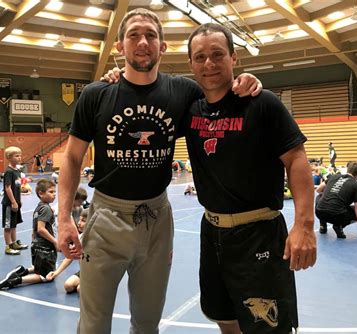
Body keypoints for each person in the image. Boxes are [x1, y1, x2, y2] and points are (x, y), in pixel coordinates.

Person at [57, 8, 262, 334]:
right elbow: (71, 158)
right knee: (93, 326)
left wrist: (246, 80)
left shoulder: (183, 92)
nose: (142, 42)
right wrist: (64, 217)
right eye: (134, 35)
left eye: (151, 35)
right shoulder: (96, 95)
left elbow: (221, 95)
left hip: (156, 220)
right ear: (120, 47)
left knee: (147, 324)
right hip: (106, 217)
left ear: (162, 47)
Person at [182, 23, 316, 333]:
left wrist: (304, 225)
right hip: (212, 233)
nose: (209, 64)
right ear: (190, 63)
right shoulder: (189, 110)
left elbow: (296, 159)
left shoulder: (262, 102)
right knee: (224, 318)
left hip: (259, 234)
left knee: (267, 327)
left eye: (217, 54)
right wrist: (112, 78)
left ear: (233, 57)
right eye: (199, 57)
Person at [0, 179, 58, 290]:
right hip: (45, 248)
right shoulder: (47, 209)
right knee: (46, 276)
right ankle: (16, 280)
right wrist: (55, 241)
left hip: (37, 246)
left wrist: (34, 241)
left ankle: (22, 271)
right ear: (41, 193)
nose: (54, 195)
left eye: (55, 192)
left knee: (40, 267)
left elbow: (35, 230)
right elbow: (41, 229)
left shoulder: (39, 207)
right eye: (51, 192)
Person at [315, 161, 357, 239]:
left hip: (319, 213)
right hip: (337, 216)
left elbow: (318, 190)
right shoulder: (356, 185)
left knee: (319, 197)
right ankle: (339, 225)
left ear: (348, 169)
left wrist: (331, 193)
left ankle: (323, 225)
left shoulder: (334, 176)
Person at [48, 208, 89, 294]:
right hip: (84, 272)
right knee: (68, 286)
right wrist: (56, 273)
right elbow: (70, 257)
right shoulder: (80, 238)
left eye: (83, 221)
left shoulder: (97, 240)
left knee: (80, 289)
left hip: (96, 273)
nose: (78, 223)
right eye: (80, 219)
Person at [2, 147, 28, 256]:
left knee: (14, 224)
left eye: (20, 155)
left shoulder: (17, 170)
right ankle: (8, 246)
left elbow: (17, 187)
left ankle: (14, 243)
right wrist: (13, 202)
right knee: (8, 226)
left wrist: (19, 201)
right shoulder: (9, 172)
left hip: (16, 202)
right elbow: (7, 188)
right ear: (9, 158)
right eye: (16, 156)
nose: (19, 157)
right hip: (9, 203)